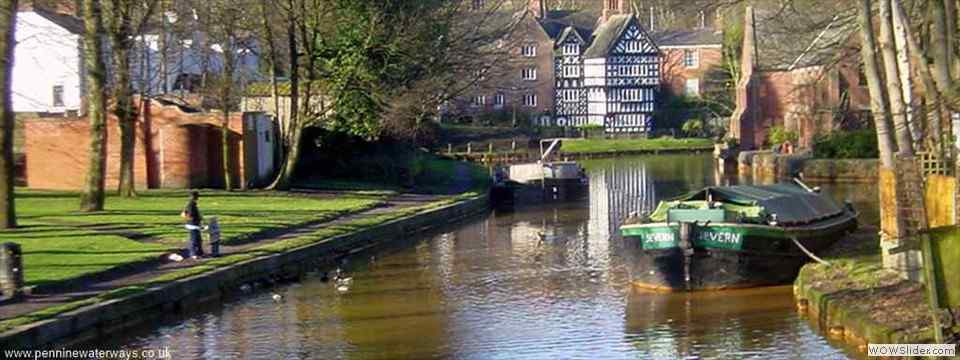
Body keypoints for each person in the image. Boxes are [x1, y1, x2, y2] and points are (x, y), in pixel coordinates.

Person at [181, 191, 204, 259]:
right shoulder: (191, 205)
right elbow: (188, 214)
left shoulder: (192, 204)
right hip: (193, 225)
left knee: (198, 239)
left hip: (194, 224)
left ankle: (199, 252)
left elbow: (184, 213)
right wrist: (197, 218)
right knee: (194, 239)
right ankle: (193, 253)